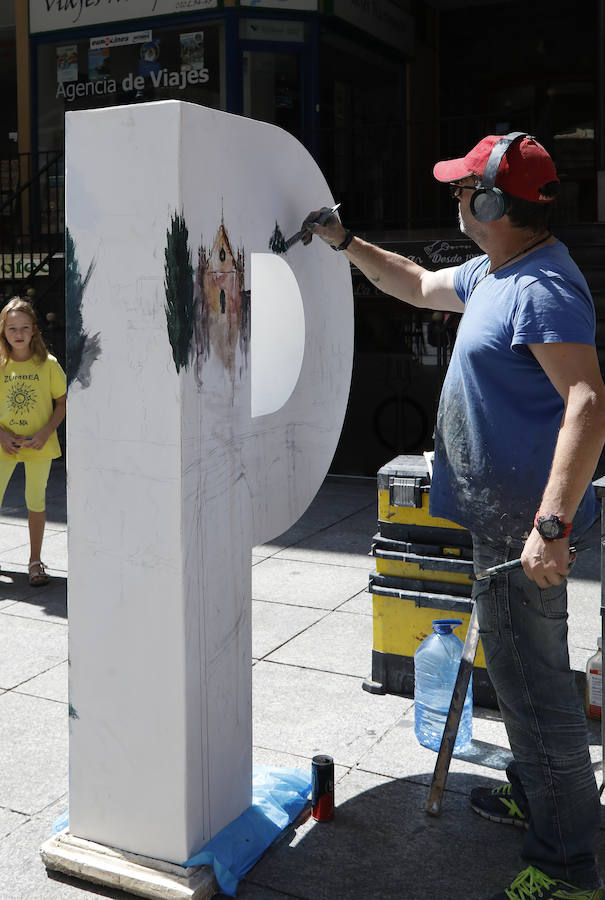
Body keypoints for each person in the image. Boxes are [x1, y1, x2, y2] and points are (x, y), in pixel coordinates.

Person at [303, 134, 605, 900]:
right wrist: (343, 242)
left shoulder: (542, 287)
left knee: (536, 694)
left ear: (497, 202)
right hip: (504, 522)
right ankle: (540, 798)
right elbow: (412, 283)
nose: (456, 199)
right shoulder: (492, 272)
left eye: (464, 189)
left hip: (520, 532)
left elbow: (587, 405)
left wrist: (550, 526)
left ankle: (568, 865)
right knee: (520, 677)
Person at [0, 297, 66, 597]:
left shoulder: (48, 365)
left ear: (34, 330)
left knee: (35, 500)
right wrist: (1, 435)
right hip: (3, 445)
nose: (18, 333)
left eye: (24, 327)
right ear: (2, 332)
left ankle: (35, 562)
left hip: (38, 446)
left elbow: (61, 402)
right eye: (11, 329)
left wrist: (46, 433)